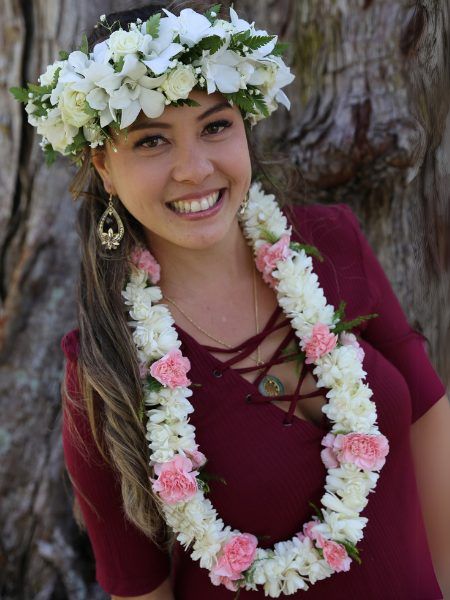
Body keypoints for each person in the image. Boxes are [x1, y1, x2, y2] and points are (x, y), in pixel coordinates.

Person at [12, 1, 450, 598]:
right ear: (103, 168)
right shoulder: (104, 371)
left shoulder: (329, 242)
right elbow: (142, 590)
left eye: (216, 126)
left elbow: (429, 422)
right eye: (151, 141)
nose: (194, 170)